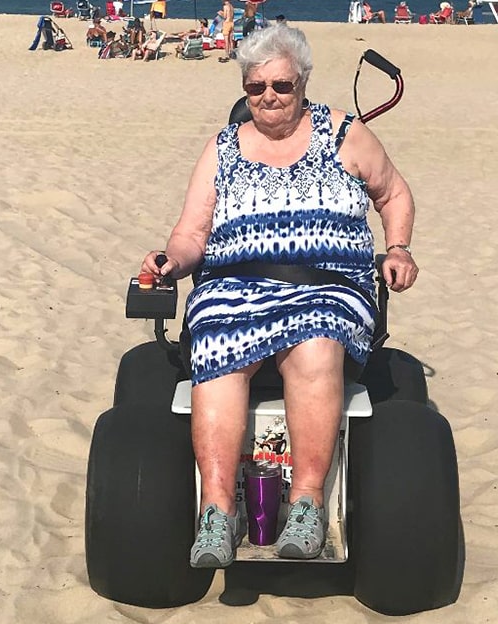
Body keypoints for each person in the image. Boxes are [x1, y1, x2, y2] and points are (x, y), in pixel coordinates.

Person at [140, 24, 418, 568]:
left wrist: (399, 248)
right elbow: (192, 233)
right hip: (233, 285)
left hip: (327, 284)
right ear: (245, 89)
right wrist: (170, 260)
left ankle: (307, 503)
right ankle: (217, 513)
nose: (269, 96)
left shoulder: (346, 133)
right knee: (216, 338)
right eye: (256, 86)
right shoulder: (222, 148)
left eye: (282, 86)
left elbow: (394, 193)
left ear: (303, 83)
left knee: (315, 340)